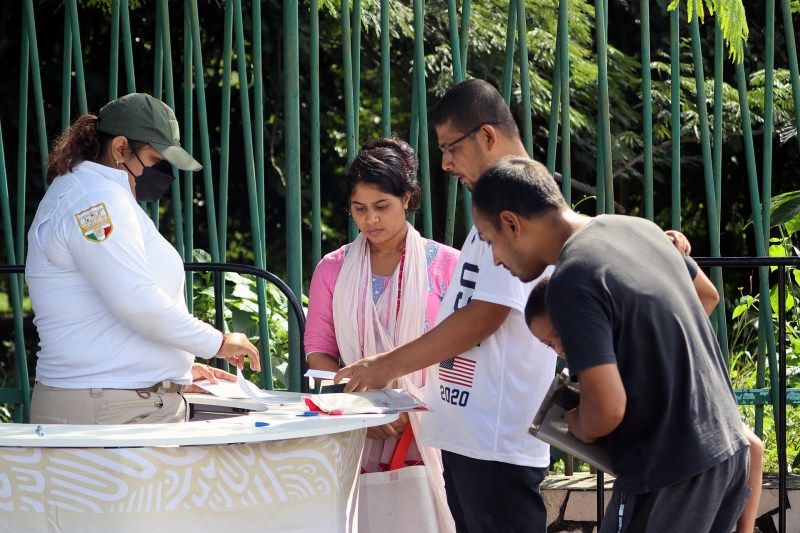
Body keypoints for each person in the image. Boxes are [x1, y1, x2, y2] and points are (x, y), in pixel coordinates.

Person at [471, 156, 751, 532]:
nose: (495, 258)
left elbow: (605, 410)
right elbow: (706, 295)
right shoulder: (638, 228)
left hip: (669, 469)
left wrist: (575, 423)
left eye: (490, 242)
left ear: (511, 224)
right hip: (726, 450)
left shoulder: (572, 278)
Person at [336, 80, 558, 532]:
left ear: (487, 136)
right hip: (469, 438)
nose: (445, 163)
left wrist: (386, 365)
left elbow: (486, 314)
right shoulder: (496, 200)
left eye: (450, 147)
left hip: (495, 443)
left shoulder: (520, 199)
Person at [26, 93, 260, 425]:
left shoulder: (82, 190)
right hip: (111, 405)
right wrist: (218, 342)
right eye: (153, 159)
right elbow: (135, 300)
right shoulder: (97, 201)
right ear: (120, 148)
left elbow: (98, 314)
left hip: (107, 398)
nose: (158, 172)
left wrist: (171, 371)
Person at [304, 137, 459, 531]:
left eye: (381, 206)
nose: (370, 219)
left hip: (433, 429)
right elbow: (320, 353)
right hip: (355, 433)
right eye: (360, 209)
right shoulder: (333, 270)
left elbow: (460, 354)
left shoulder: (448, 266)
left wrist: (414, 409)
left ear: (407, 198)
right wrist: (359, 411)